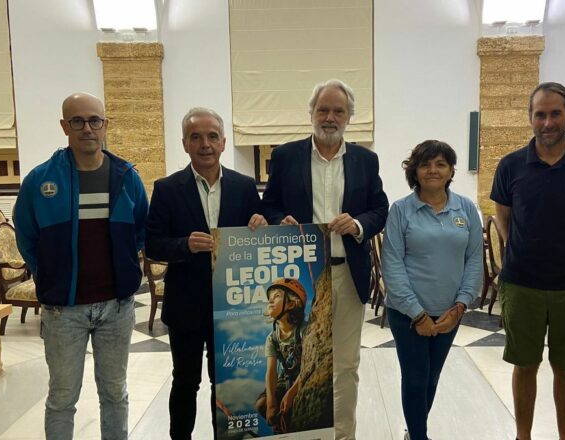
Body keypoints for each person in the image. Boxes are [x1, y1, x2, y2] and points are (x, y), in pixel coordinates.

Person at [14, 92, 149, 440]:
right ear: (64, 126)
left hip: (116, 308)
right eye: (77, 121)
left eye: (94, 120)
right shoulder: (39, 180)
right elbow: (26, 237)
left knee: (115, 394)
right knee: (62, 397)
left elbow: (141, 230)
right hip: (63, 312)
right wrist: (49, 274)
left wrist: (124, 267)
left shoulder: (126, 176)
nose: (86, 128)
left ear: (105, 125)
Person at [261, 79, 389, 439]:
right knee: (302, 361)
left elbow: (381, 209)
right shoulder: (285, 156)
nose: (330, 117)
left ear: (349, 117)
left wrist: (359, 224)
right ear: (312, 114)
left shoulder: (366, 159)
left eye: (338, 111)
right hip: (302, 275)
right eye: (323, 110)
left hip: (347, 272)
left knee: (345, 364)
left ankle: (343, 435)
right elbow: (270, 204)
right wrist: (278, 221)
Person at [490, 82, 565, 440]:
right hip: (521, 282)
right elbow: (503, 217)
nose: (547, 122)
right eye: (540, 114)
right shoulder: (511, 165)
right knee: (524, 364)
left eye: (555, 113)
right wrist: (526, 248)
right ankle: (523, 436)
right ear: (530, 118)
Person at [145, 107, 267, 439]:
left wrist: (260, 225)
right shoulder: (168, 188)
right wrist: (185, 245)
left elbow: (258, 240)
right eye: (196, 137)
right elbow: (153, 244)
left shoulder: (244, 187)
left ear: (224, 142)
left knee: (225, 384)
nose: (205, 144)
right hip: (186, 303)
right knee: (185, 381)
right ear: (184, 143)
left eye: (212, 136)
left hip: (233, 307)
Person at [382, 140, 483, 440]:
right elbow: (392, 265)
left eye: (440, 164)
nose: (433, 170)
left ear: (451, 170)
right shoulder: (401, 210)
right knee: (415, 379)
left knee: (431, 379)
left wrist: (461, 306)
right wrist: (417, 315)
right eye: (425, 164)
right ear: (415, 170)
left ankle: (414, 431)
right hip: (407, 314)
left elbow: (474, 259)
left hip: (450, 313)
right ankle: (418, 436)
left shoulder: (465, 208)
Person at [255, 278, 308, 433]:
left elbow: (309, 364)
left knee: (296, 403)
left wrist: (292, 393)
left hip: (302, 375)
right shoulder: (272, 338)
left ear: (292, 304)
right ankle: (281, 424)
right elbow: (271, 371)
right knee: (261, 404)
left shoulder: (304, 331)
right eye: (270, 298)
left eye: (277, 296)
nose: (270, 301)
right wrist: (271, 405)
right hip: (285, 379)